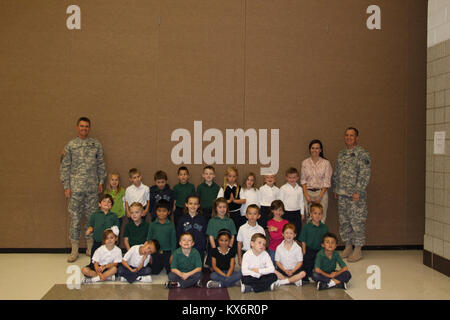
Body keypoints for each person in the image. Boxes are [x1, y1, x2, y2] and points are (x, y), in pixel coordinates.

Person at [60, 116, 107, 262]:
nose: (84, 129)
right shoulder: (70, 146)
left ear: (89, 128)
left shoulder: (96, 145)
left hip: (92, 189)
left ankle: (89, 248)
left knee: (91, 220)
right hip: (75, 190)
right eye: (81, 126)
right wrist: (66, 186)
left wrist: (100, 181)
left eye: (86, 126)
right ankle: (74, 251)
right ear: (77, 127)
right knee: (75, 219)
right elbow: (65, 167)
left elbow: (101, 164)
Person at [332, 127, 371, 262]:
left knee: (357, 221)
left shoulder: (362, 154)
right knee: (344, 221)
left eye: (351, 135)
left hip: (355, 196)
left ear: (357, 138)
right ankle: (348, 246)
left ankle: (358, 250)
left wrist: (358, 191)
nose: (348, 137)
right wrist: (336, 189)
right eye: (347, 135)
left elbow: (364, 175)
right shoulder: (341, 153)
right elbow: (337, 172)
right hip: (342, 194)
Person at [300, 140, 332, 223]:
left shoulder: (326, 163)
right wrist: (306, 195)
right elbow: (303, 180)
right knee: (309, 218)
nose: (315, 150)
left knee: (321, 218)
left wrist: (320, 196)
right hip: (308, 194)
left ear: (321, 150)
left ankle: (320, 236)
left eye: (317, 148)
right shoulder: (305, 163)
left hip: (321, 193)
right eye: (313, 148)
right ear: (310, 149)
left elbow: (327, 182)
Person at [298, 203, 329, 282]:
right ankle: (306, 276)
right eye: (315, 213)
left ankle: (319, 274)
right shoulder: (307, 227)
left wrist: (326, 251)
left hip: (320, 250)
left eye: (319, 214)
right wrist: (304, 251)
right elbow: (303, 240)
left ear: (322, 215)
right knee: (307, 262)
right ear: (310, 214)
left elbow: (326, 241)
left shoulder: (324, 228)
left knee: (321, 262)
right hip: (309, 249)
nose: (317, 216)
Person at [176, 195, 207, 267]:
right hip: (185, 249)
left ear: (199, 205)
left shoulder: (202, 219)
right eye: (190, 203)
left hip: (199, 249)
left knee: (198, 271)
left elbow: (205, 235)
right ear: (186, 204)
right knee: (185, 268)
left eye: (195, 204)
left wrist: (204, 248)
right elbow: (178, 235)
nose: (193, 206)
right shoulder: (181, 219)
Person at [147, 199, 176, 274]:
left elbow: (173, 242)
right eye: (159, 211)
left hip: (167, 253)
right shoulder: (152, 225)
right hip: (156, 252)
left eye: (164, 211)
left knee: (171, 272)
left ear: (168, 212)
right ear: (156, 211)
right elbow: (149, 240)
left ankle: (165, 265)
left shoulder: (171, 226)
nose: (161, 213)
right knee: (154, 272)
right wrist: (149, 254)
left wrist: (172, 255)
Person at [205, 198, 237, 268]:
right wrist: (215, 250)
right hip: (215, 244)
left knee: (227, 266)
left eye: (224, 207)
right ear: (216, 208)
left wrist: (229, 247)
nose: (222, 209)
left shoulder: (230, 221)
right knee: (214, 266)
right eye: (220, 207)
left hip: (227, 244)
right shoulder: (212, 221)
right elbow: (210, 236)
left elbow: (232, 236)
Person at [85, 194, 119, 259]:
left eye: (109, 202)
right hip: (97, 241)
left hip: (109, 242)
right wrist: (89, 230)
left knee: (108, 258)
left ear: (111, 205)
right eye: (104, 201)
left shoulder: (114, 216)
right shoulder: (94, 215)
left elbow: (116, 229)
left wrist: (115, 236)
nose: (107, 203)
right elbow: (91, 226)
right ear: (99, 204)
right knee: (94, 259)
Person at [217, 167, 246, 231]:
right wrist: (229, 201)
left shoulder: (239, 188)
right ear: (227, 177)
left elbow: (244, 200)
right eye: (230, 176)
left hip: (237, 213)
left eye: (234, 176)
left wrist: (234, 200)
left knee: (236, 229)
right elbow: (218, 201)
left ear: (236, 177)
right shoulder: (223, 188)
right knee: (226, 229)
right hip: (226, 213)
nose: (232, 178)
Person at [279, 167, 305, 237]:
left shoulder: (299, 189)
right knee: (287, 231)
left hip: (297, 213)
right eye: (290, 177)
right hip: (286, 213)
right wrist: (281, 212)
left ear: (297, 178)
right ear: (286, 178)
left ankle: (295, 246)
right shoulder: (283, 188)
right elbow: (280, 202)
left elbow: (301, 201)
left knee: (296, 231)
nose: (292, 179)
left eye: (294, 177)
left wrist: (302, 213)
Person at [104, 173, 126, 244]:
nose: (114, 182)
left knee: (117, 233)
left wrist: (124, 212)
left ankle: (117, 248)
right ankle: (107, 247)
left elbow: (125, 202)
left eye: (116, 180)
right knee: (108, 233)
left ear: (119, 181)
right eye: (112, 180)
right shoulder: (107, 191)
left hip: (118, 216)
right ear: (109, 181)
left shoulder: (122, 191)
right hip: (109, 215)